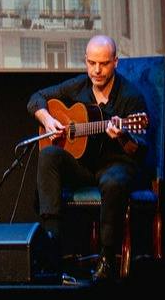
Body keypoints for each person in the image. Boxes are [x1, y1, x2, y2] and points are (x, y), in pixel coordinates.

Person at [28, 33, 151, 281]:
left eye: (103, 64)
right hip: (84, 165)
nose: (97, 70)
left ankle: (107, 259)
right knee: (50, 155)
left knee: (113, 181)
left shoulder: (131, 96)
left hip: (115, 164)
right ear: (85, 61)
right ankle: (52, 249)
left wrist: (122, 136)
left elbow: (138, 150)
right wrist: (49, 120)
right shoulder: (78, 86)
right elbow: (36, 99)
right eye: (91, 63)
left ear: (115, 62)